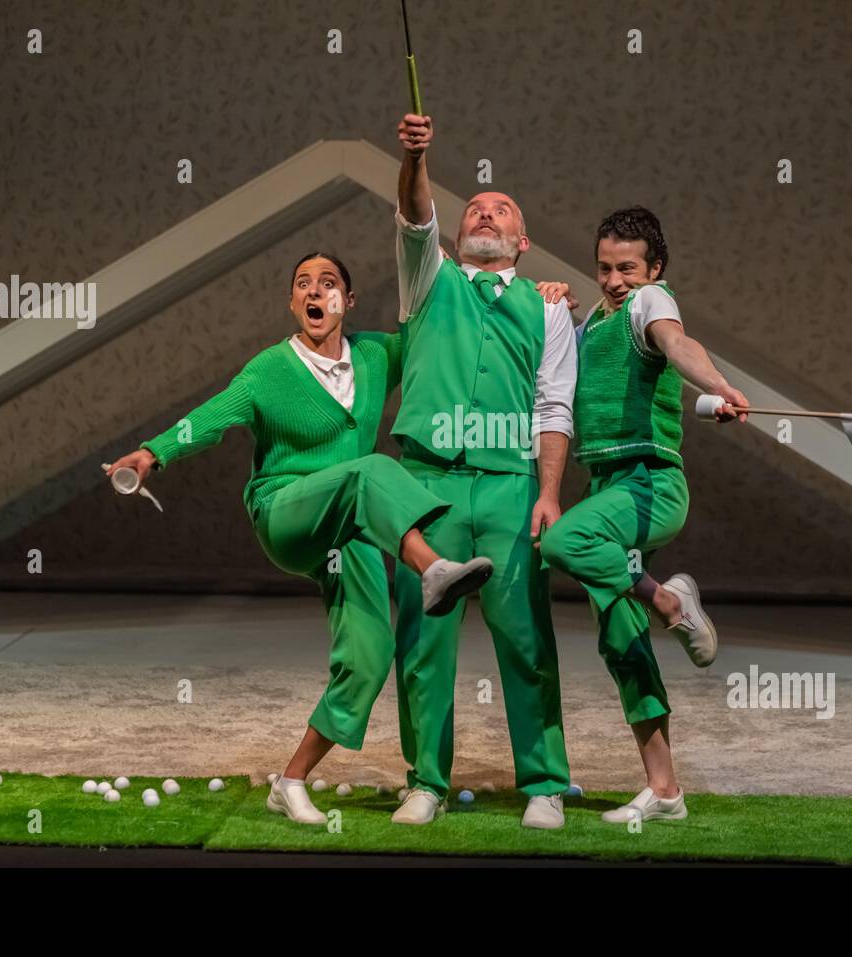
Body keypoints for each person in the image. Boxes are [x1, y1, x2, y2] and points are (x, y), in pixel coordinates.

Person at [105, 252, 492, 825]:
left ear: (348, 301)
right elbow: (209, 417)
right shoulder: (269, 369)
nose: (316, 292)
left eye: (329, 283)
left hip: (352, 524)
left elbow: (436, 321)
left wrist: (537, 296)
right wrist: (153, 452)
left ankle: (290, 780)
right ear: (293, 303)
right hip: (285, 512)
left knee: (369, 654)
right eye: (303, 285)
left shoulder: (376, 354)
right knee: (372, 468)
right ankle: (432, 568)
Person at [389, 112, 579, 828]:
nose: (485, 213)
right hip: (429, 483)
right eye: (474, 208)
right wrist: (417, 157)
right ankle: (425, 780)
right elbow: (413, 214)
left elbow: (554, 405)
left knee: (526, 636)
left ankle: (545, 783)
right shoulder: (427, 278)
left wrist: (551, 494)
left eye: (501, 210)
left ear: (523, 242)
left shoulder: (548, 309)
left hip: (509, 485)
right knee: (424, 640)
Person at [540, 206, 749, 825]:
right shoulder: (599, 322)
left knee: (563, 541)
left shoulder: (649, 303)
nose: (613, 280)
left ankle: (669, 603)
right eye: (603, 268)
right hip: (610, 488)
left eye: (626, 267)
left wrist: (720, 384)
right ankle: (665, 792)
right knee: (619, 639)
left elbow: (678, 342)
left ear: (653, 268)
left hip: (649, 487)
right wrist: (553, 303)